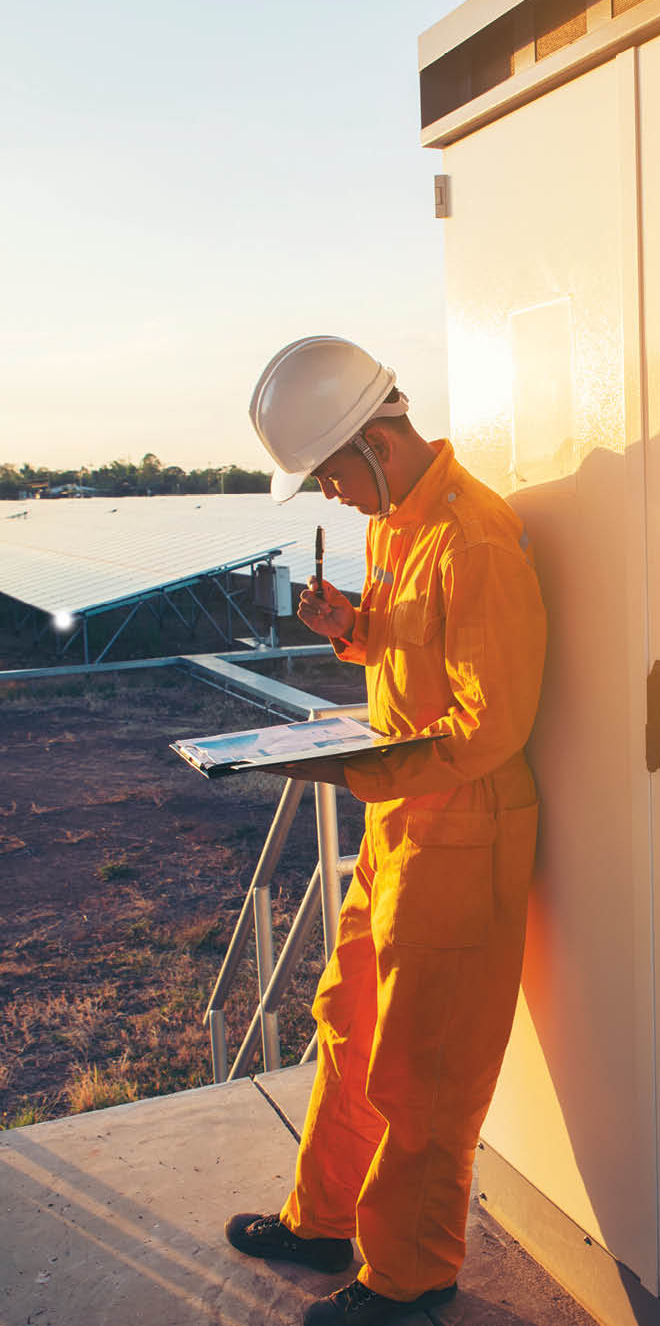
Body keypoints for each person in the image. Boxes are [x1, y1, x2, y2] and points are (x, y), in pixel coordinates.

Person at [226, 335, 546, 1326]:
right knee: (348, 1022)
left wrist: (345, 764)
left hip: (462, 834)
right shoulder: (400, 526)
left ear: (375, 441)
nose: (328, 494)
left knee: (425, 1069)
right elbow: (424, 645)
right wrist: (353, 628)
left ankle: (411, 1280)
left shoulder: (475, 537)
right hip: (407, 823)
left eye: (327, 474)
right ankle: (322, 1220)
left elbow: (492, 727)